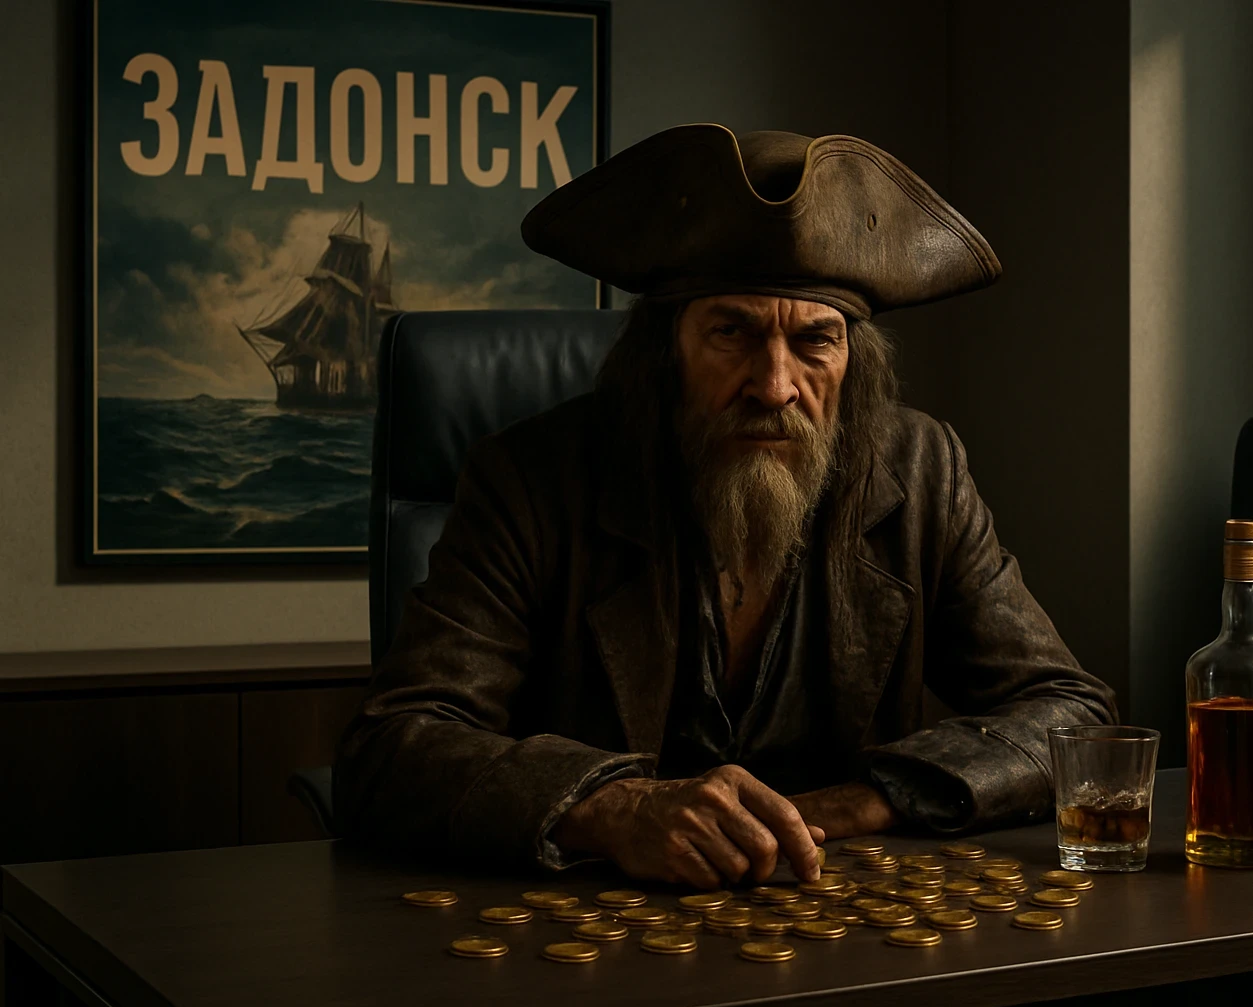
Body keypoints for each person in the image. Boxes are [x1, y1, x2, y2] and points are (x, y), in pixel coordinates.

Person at [333, 124, 1117, 890]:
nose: (774, 387)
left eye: (815, 341)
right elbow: (392, 749)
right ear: (663, 354)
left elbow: (1072, 713)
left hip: (836, 909)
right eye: (731, 333)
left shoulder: (922, 471)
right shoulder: (531, 481)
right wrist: (617, 809)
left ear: (853, 361)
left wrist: (869, 800)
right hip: (595, 922)